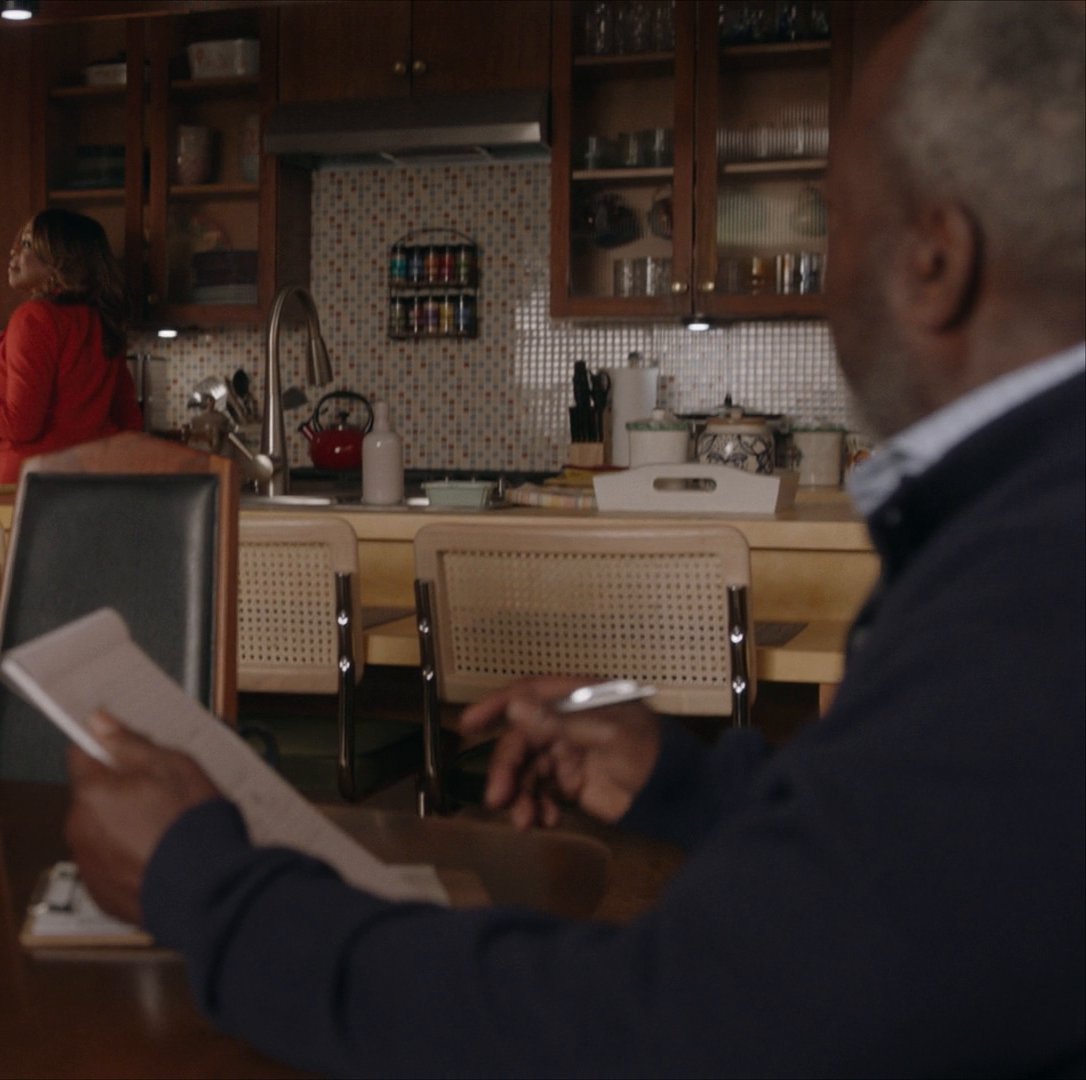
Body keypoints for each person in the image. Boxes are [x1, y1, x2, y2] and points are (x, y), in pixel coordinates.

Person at [63, 3, 1085, 1074]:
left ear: (935, 260)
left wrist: (213, 890)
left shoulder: (1034, 596)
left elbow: (671, 1027)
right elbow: (924, 875)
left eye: (839, 223)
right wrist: (693, 787)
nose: (827, 271)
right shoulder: (1027, 525)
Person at [0, 209, 143, 485]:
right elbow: (130, 423)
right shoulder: (101, 322)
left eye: (26, 244)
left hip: (27, 486)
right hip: (87, 483)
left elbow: (19, 424)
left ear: (61, 261)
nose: (12, 251)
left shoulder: (35, 318)